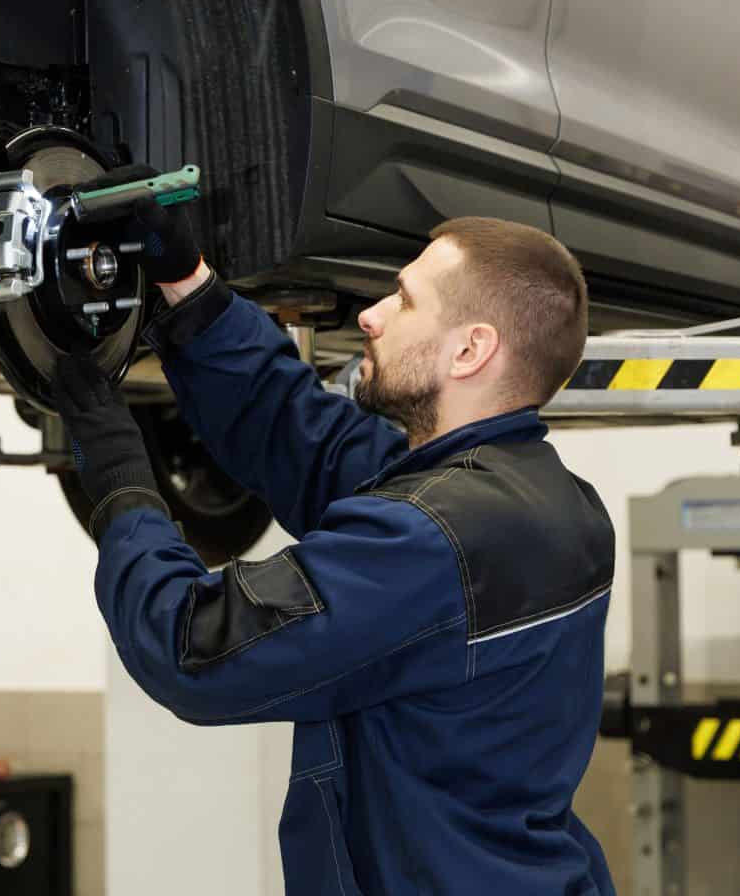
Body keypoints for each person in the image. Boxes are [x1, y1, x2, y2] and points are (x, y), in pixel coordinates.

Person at [51, 169, 617, 894]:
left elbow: (192, 648)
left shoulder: (433, 539)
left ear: (470, 351)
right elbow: (306, 441)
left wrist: (125, 489)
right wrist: (188, 285)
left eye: (406, 300)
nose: (373, 316)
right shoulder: (550, 502)